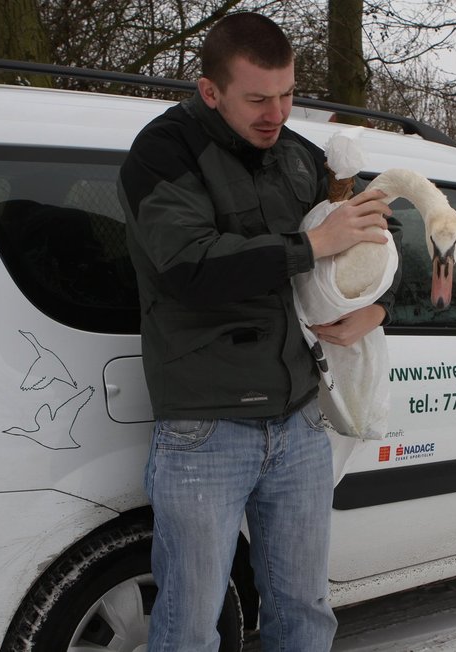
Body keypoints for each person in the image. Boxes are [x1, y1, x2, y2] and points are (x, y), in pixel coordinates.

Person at [119, 11, 401, 651]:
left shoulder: (297, 155)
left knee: (304, 613)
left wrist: (376, 309)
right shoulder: (163, 154)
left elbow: (379, 224)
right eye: (257, 98)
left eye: (286, 95)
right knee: (190, 624)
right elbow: (185, 265)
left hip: (299, 419)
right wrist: (310, 245)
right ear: (209, 90)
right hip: (206, 426)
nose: (276, 113)